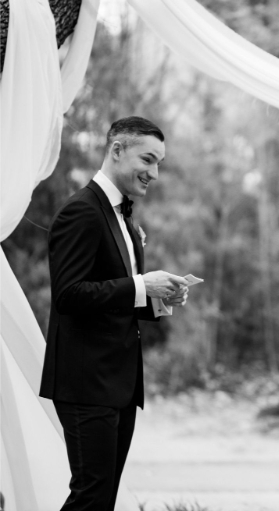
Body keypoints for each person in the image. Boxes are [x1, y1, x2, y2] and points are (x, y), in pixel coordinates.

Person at [40, 116, 190, 510]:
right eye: (148, 159)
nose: (154, 173)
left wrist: (159, 298)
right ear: (117, 150)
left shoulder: (122, 215)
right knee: (90, 496)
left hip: (117, 384)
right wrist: (143, 285)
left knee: (101, 498)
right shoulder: (81, 212)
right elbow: (69, 295)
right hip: (86, 381)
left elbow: (110, 296)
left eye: (159, 163)